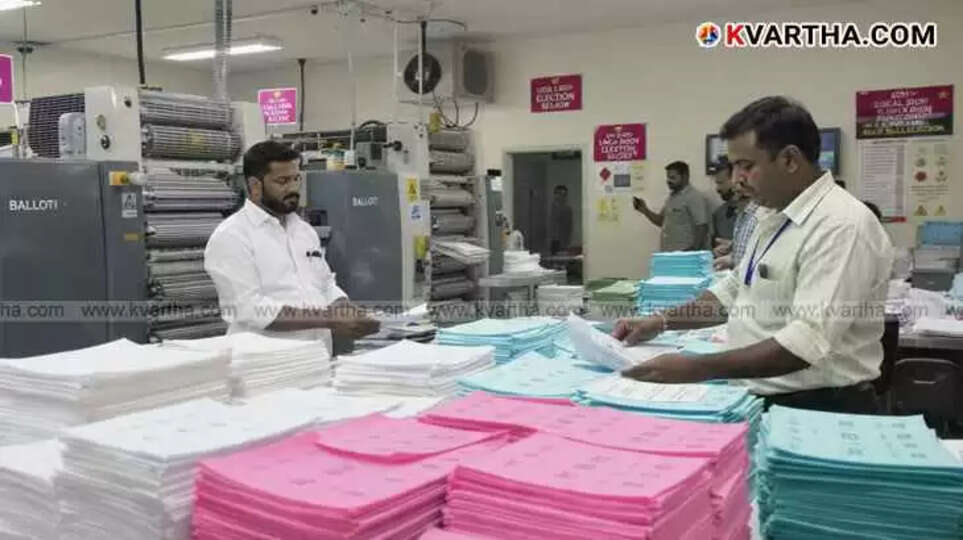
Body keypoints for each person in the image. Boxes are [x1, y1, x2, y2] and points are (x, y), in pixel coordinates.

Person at [613, 96, 894, 414]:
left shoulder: (840, 225)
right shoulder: (772, 214)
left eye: (746, 166)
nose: (736, 179)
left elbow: (805, 343)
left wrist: (696, 368)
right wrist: (660, 321)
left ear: (789, 160)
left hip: (819, 406)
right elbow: (733, 291)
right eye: (734, 166)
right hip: (763, 396)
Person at [204, 140, 380, 347]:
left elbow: (324, 284)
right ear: (255, 185)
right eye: (283, 181)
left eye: (296, 179)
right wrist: (329, 319)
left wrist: (344, 308)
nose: (293, 188)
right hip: (264, 358)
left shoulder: (303, 231)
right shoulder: (232, 236)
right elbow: (249, 308)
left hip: (316, 354)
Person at [633, 161, 710, 251]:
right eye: (668, 177)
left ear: (685, 177)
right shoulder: (672, 198)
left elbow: (702, 226)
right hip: (669, 252)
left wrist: (693, 250)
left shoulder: (694, 197)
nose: (668, 181)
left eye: (673, 177)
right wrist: (645, 210)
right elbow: (661, 221)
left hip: (685, 253)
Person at [549, 185, 574, 254]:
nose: (561, 197)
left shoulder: (567, 209)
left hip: (563, 241)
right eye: (559, 194)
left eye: (564, 195)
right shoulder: (550, 208)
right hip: (552, 241)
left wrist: (567, 243)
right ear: (555, 195)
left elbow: (569, 227)